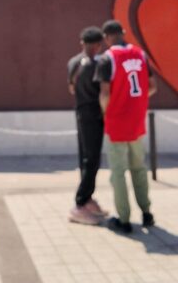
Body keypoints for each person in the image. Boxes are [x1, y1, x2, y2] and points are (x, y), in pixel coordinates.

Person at [95, 20, 156, 234]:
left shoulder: (108, 58)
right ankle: (146, 212)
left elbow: (104, 93)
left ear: (106, 37)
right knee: (139, 168)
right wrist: (135, 103)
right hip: (136, 121)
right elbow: (152, 87)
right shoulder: (141, 54)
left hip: (116, 122)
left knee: (118, 173)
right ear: (123, 33)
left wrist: (106, 112)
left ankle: (124, 218)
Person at [66, 26, 109, 224]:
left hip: (81, 113)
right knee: (92, 159)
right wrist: (105, 112)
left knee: (85, 158)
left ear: (82, 42)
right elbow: (103, 93)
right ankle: (80, 203)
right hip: (94, 115)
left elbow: (71, 88)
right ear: (99, 44)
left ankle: (88, 198)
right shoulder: (99, 64)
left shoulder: (73, 62)